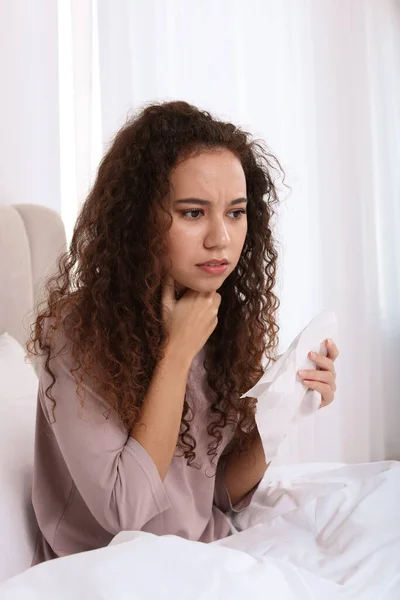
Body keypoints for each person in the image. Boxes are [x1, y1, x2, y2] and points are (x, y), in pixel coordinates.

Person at [27, 100, 338, 564]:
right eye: (193, 213)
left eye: (236, 212)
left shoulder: (215, 311)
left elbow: (213, 496)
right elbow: (124, 511)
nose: (222, 239)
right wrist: (177, 352)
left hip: (201, 555)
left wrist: (287, 408)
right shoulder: (78, 330)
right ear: (138, 219)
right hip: (112, 570)